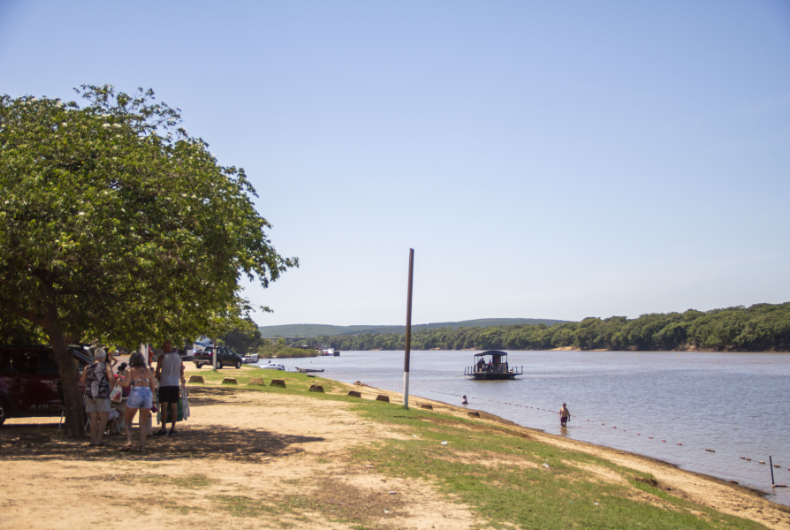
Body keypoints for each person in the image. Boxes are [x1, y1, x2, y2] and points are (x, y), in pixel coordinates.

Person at [118, 351, 156, 452]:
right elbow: (153, 385)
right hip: (148, 393)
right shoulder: (148, 370)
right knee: (143, 422)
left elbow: (126, 384)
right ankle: (142, 446)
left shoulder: (131, 370)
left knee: (128, 419)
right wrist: (151, 396)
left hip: (136, 392)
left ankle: (129, 442)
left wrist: (118, 381)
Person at [80, 347, 115, 446]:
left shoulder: (87, 366)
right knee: (104, 417)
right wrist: (111, 390)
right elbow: (112, 378)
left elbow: (82, 380)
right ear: (104, 356)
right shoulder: (106, 365)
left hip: (89, 394)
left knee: (93, 417)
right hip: (102, 393)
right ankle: (99, 439)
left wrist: (90, 384)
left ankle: (92, 439)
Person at [155, 340, 185, 436]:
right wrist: (181, 381)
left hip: (165, 384)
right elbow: (182, 371)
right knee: (174, 407)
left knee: (164, 407)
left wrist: (159, 379)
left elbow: (157, 372)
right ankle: (172, 429)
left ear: (168, 347)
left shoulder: (162, 357)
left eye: (164, 347)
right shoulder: (178, 357)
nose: (162, 348)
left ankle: (163, 428)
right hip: (175, 384)